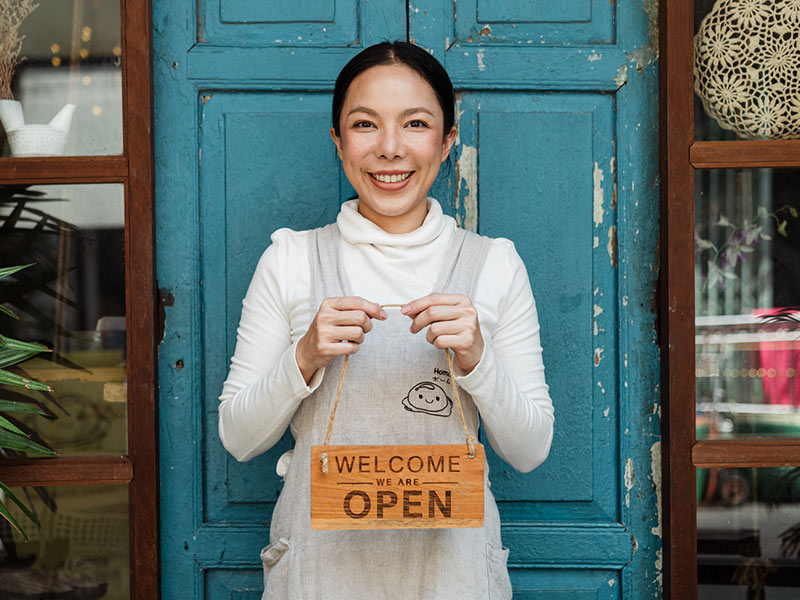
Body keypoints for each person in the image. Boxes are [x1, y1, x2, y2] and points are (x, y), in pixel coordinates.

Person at [218, 41, 554, 600]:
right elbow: (238, 438)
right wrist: (303, 358)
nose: (390, 148)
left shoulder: (493, 264)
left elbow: (531, 449)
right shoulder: (291, 260)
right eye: (365, 124)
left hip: (455, 577)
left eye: (416, 124)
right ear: (338, 141)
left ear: (447, 141)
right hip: (318, 576)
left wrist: (477, 360)